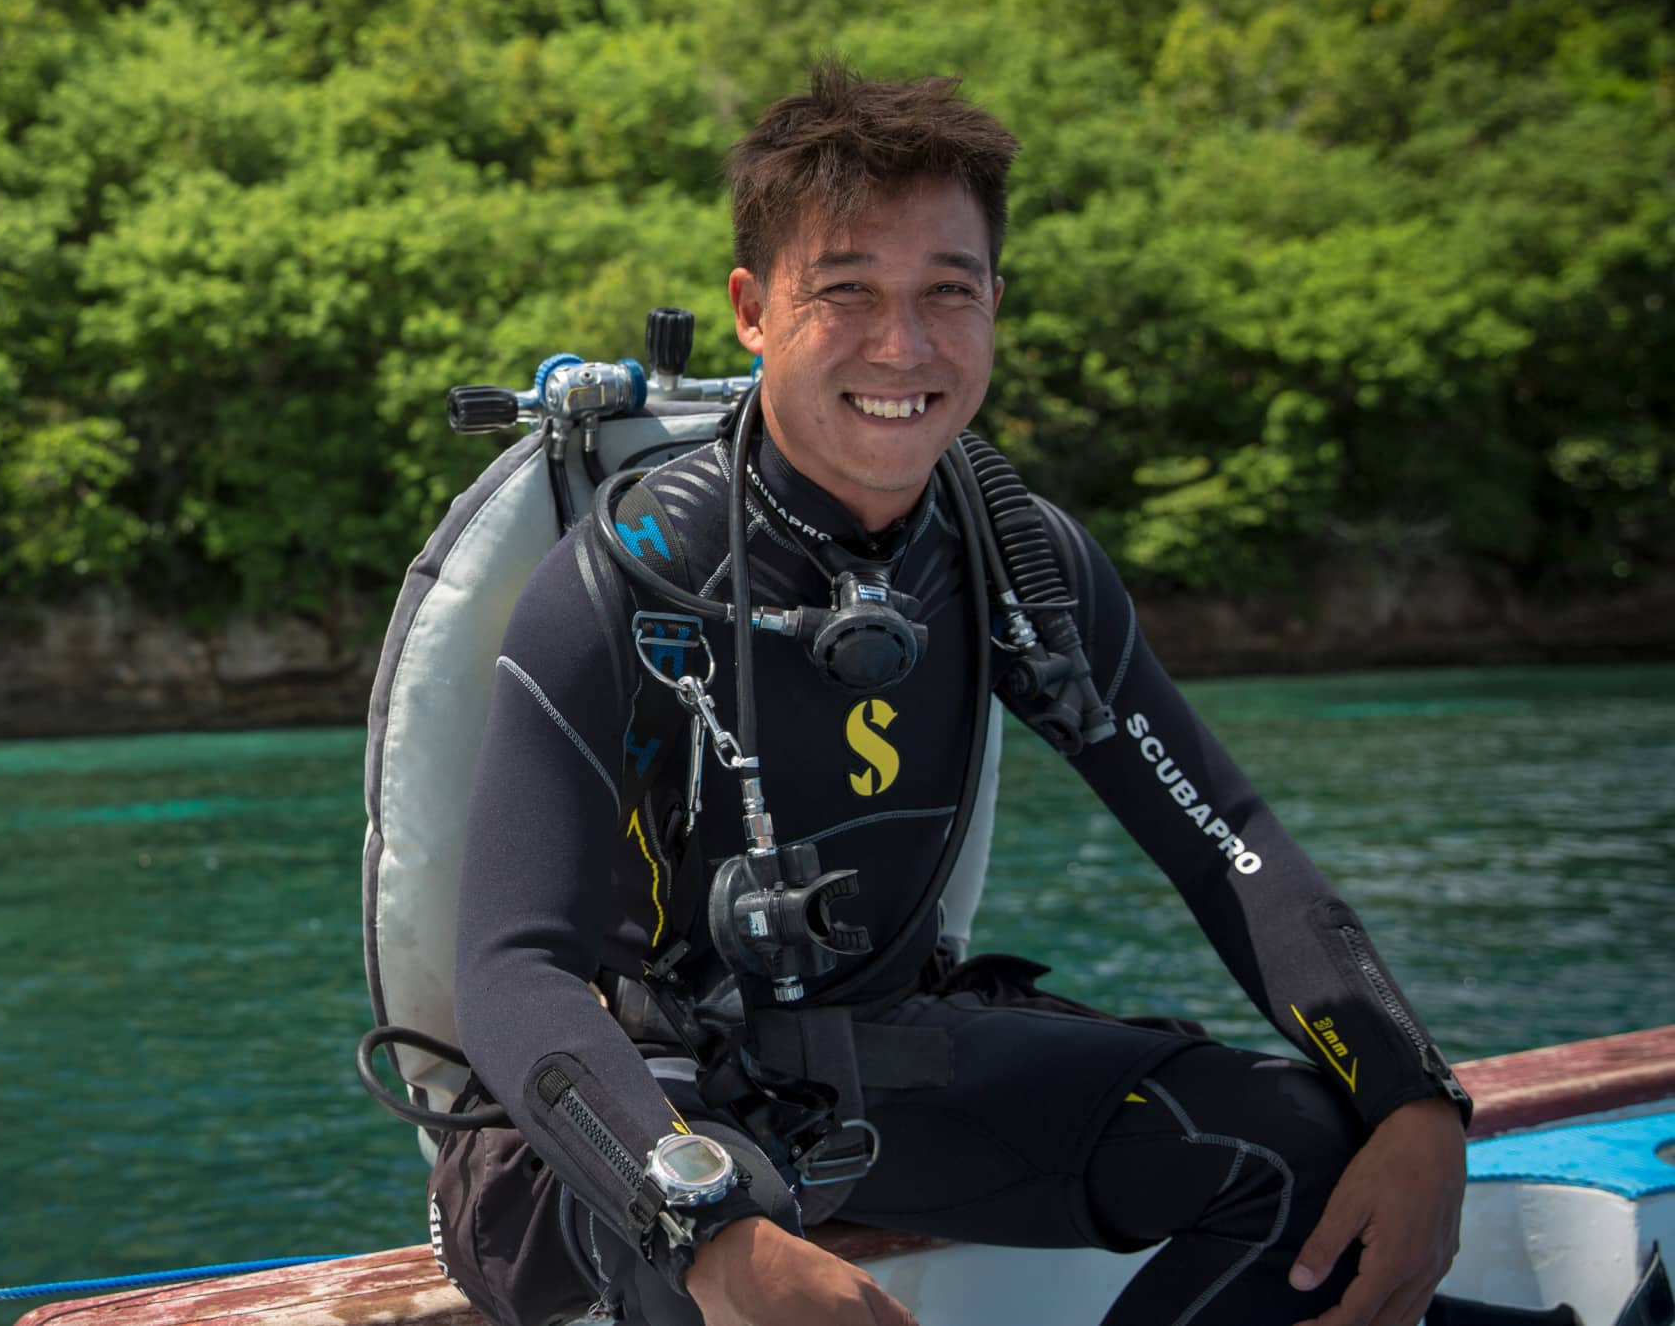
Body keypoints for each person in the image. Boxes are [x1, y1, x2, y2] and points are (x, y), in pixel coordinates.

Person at [436, 65, 1470, 1326]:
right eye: (847, 291)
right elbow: (508, 970)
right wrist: (708, 1224)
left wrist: (1414, 1091)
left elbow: (1230, 850)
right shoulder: (630, 578)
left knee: (1301, 1145)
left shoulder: (1013, 559)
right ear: (753, 310)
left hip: (871, 1063)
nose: (903, 346)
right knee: (696, 1272)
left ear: (995, 302)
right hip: (612, 1118)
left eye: (946, 291)